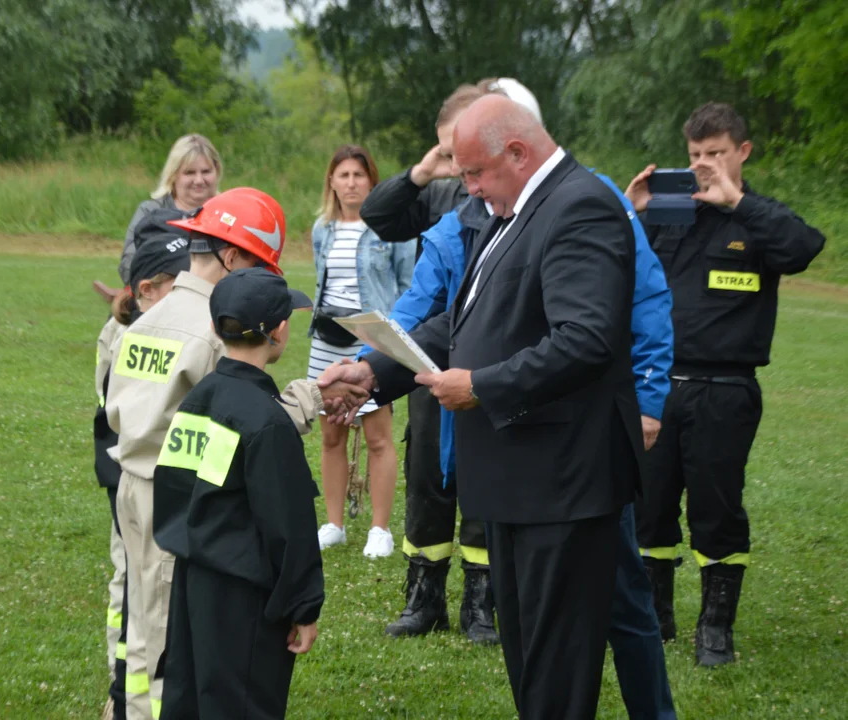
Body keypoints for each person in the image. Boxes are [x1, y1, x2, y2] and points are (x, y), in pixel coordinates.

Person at [321, 95, 644, 719]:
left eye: (474, 173)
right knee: (530, 664)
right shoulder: (509, 208)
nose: (466, 188)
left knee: (556, 672)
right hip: (517, 481)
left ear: (517, 153)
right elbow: (462, 324)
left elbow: (587, 339)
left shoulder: (580, 209)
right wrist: (372, 373)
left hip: (563, 484)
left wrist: (483, 387)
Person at [106, 187, 368, 719]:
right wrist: (312, 396)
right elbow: (237, 429)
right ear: (231, 256)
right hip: (187, 499)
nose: (265, 284)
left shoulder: (145, 319)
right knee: (169, 644)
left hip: (135, 488)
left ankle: (122, 705)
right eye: (262, 268)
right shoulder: (207, 337)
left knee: (137, 618)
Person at [626, 102, 826, 666]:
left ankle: (715, 628)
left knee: (717, 510)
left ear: (742, 152)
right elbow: (610, 267)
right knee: (650, 506)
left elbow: (804, 248)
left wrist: (736, 199)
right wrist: (632, 211)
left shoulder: (757, 217)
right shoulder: (666, 215)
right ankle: (656, 616)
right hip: (658, 387)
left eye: (715, 154)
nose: (703, 166)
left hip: (725, 390)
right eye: (694, 156)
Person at [153, 268, 324, 719]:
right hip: (246, 600)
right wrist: (303, 606)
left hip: (193, 584)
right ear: (280, 332)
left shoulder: (198, 399)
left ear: (215, 327)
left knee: (190, 697)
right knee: (244, 704)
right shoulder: (267, 423)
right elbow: (288, 525)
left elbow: (173, 488)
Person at [95, 237, 191, 720]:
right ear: (147, 290)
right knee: (138, 606)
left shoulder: (156, 330)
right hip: (135, 488)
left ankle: (128, 702)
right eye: (180, 285)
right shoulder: (128, 337)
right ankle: (126, 702)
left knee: (146, 608)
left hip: (146, 487)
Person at [307, 145, 415, 558]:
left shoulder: (391, 229)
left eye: (358, 175)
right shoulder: (322, 229)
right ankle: (333, 523)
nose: (351, 183)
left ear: (372, 180)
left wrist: (388, 341)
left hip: (371, 339)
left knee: (378, 437)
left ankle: (379, 529)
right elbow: (323, 284)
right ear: (331, 182)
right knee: (331, 433)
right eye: (343, 175)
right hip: (327, 339)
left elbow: (407, 287)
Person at [93, 134, 221, 302]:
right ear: (173, 175)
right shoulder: (150, 212)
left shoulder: (227, 213)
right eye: (189, 173)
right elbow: (129, 266)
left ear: (217, 172)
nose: (199, 180)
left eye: (206, 171)